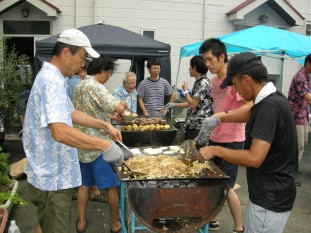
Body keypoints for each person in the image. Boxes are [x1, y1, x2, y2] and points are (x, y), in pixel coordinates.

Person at [22, 28, 124, 233]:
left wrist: (104, 125)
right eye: (82, 56)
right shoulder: (51, 81)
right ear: (66, 52)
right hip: (52, 179)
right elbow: (59, 131)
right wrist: (104, 145)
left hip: (52, 176)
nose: (84, 63)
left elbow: (71, 113)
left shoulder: (56, 78)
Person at [198, 52, 298, 233]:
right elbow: (249, 113)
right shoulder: (271, 98)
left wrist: (215, 150)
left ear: (246, 79)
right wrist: (219, 118)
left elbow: (254, 158)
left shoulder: (269, 106)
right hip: (270, 193)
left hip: (270, 198)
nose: (236, 91)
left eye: (235, 84)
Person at [198, 38, 246, 233]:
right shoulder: (213, 81)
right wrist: (208, 126)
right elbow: (218, 107)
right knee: (213, 182)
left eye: (210, 60)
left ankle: (239, 227)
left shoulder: (236, 80)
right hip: (216, 138)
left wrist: (219, 118)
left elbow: (245, 110)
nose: (207, 64)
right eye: (205, 60)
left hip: (233, 140)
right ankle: (214, 220)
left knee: (228, 186)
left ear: (222, 57)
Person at [74, 55, 126, 233]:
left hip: (81, 144)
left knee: (84, 185)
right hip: (100, 147)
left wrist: (108, 116)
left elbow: (87, 112)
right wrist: (122, 106)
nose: (108, 78)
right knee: (110, 186)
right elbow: (119, 107)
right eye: (109, 75)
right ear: (102, 70)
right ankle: (114, 224)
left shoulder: (79, 86)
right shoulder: (96, 86)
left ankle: (81, 222)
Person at [67, 66, 106, 202]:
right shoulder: (85, 85)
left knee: (82, 175)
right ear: (81, 71)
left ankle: (82, 220)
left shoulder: (66, 83)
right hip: (89, 133)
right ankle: (94, 191)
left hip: (72, 130)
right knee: (105, 180)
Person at [163, 55, 213, 140]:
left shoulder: (203, 83)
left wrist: (185, 91)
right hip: (193, 124)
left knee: (194, 151)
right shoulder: (199, 81)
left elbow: (193, 105)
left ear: (195, 67)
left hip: (198, 126)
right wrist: (174, 105)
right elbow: (192, 103)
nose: (189, 68)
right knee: (189, 150)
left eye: (190, 66)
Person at [288, 53, 311, 186]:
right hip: (295, 116)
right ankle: (290, 173)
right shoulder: (300, 77)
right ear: (308, 64)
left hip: (303, 115)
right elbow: (308, 98)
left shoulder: (307, 76)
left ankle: (294, 168)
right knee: (298, 145)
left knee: (305, 142)